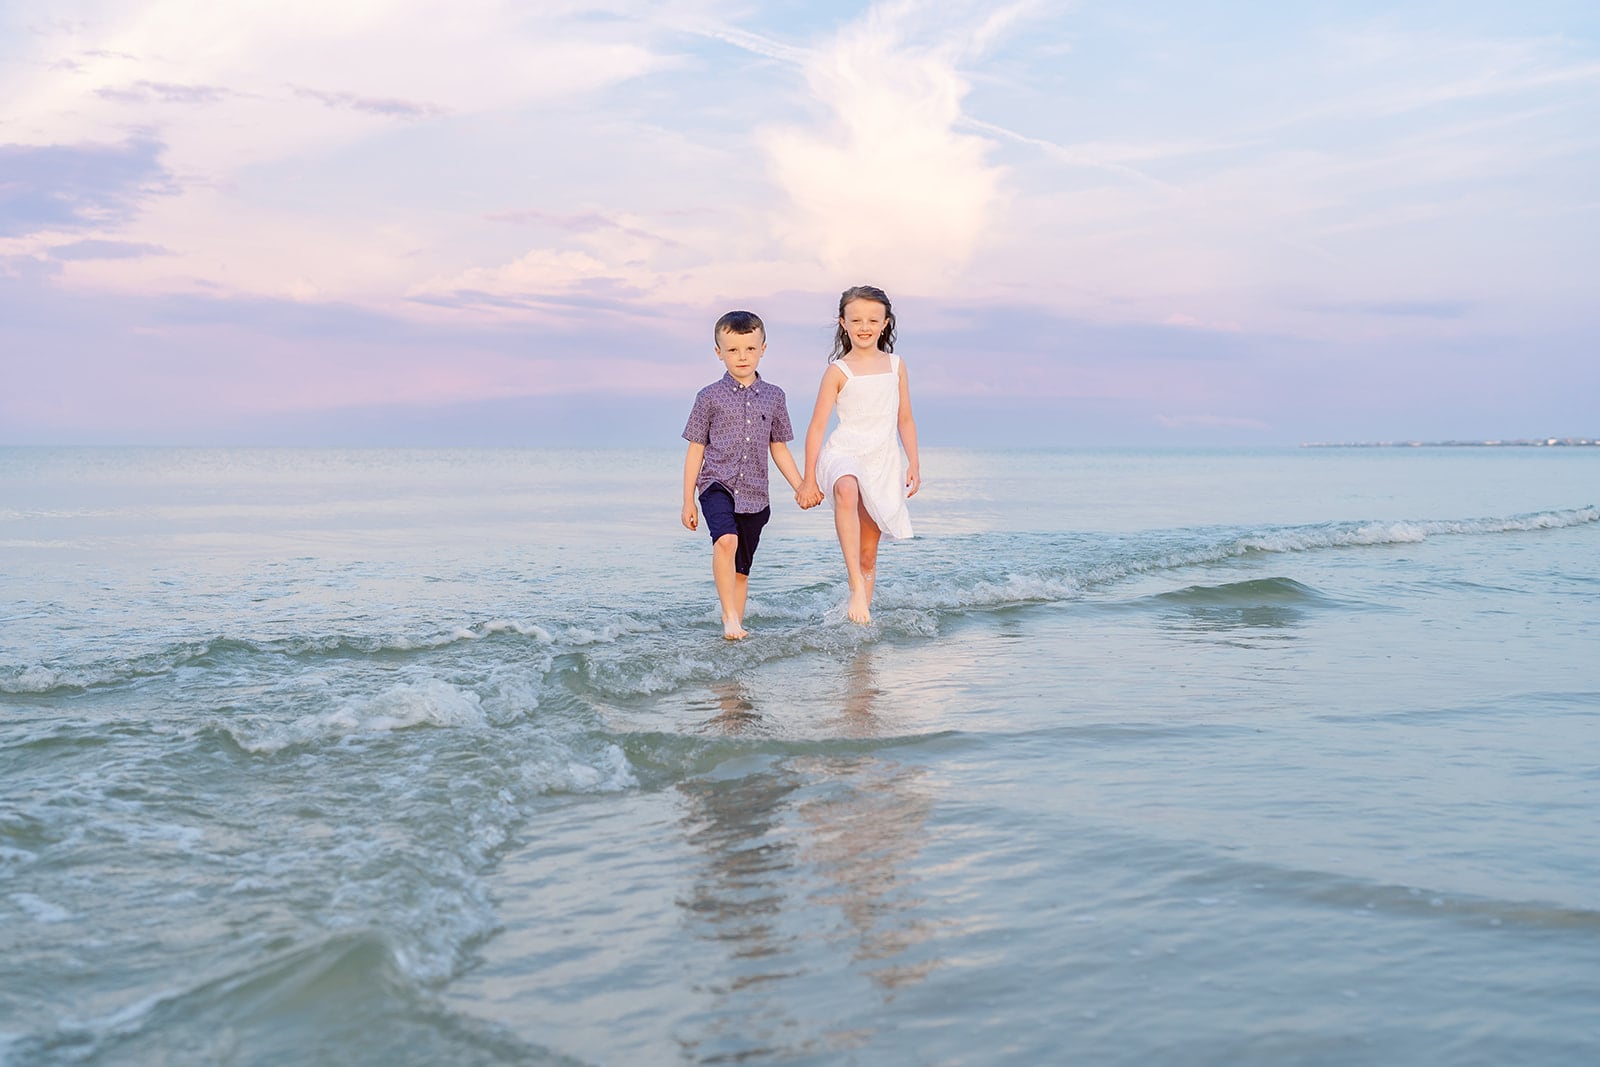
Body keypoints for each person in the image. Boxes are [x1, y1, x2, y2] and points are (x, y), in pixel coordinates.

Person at [682, 310, 813, 639]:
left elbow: (778, 447)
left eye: (750, 349)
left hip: (756, 493)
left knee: (741, 569)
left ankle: (735, 627)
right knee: (726, 541)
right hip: (716, 484)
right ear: (719, 353)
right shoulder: (708, 397)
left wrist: (801, 486)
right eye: (733, 350)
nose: (742, 357)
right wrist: (687, 501)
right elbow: (696, 449)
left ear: (763, 349)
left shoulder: (775, 396)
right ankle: (728, 618)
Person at [798, 285, 920, 625]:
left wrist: (914, 462)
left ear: (885, 324)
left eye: (872, 320)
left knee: (868, 555)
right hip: (844, 453)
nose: (864, 327)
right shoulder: (838, 371)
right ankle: (854, 587)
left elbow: (905, 418)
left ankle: (860, 624)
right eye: (856, 320)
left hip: (881, 460)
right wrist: (809, 478)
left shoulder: (896, 366)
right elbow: (817, 427)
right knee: (847, 488)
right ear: (843, 323)